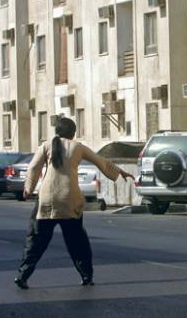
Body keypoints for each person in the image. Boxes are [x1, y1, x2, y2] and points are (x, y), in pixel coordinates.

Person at [14, 117, 134, 289]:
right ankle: (87, 276)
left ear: (57, 131)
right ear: (73, 133)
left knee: (36, 239)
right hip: (70, 199)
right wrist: (120, 172)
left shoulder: (46, 145)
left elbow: (33, 167)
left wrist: (28, 188)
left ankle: (22, 276)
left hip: (47, 199)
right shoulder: (78, 147)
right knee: (77, 241)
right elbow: (101, 162)